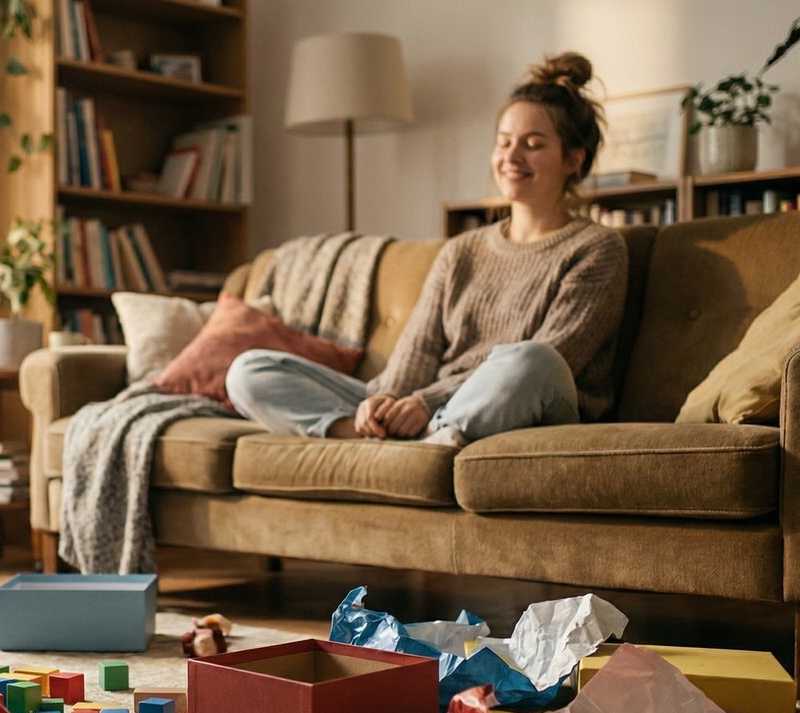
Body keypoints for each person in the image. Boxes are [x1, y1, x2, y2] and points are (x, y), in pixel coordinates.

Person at [225, 52, 629, 447]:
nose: (511, 156)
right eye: (504, 142)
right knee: (249, 370)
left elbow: (559, 353)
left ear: (573, 160)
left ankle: (427, 438)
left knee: (532, 361)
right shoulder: (462, 250)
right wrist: (387, 399)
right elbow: (418, 347)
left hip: (520, 402)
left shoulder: (597, 248)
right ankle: (380, 436)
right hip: (431, 410)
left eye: (533, 144)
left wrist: (426, 402)